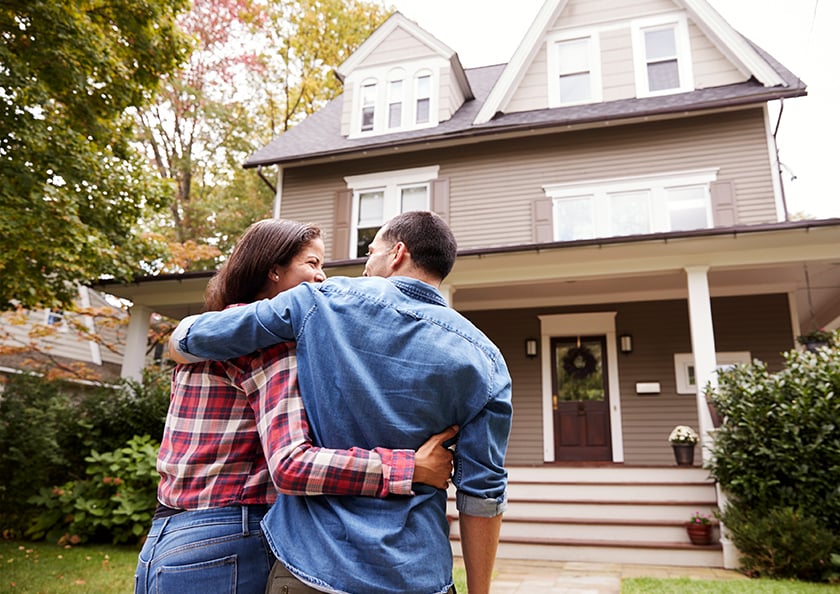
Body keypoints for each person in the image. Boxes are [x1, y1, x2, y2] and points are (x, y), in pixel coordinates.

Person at [171, 211, 512, 594]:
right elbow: (482, 494)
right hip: (417, 574)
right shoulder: (487, 359)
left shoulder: (319, 302)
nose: (365, 267)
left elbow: (196, 337)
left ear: (396, 253)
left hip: (313, 568)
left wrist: (178, 338)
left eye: (371, 252)